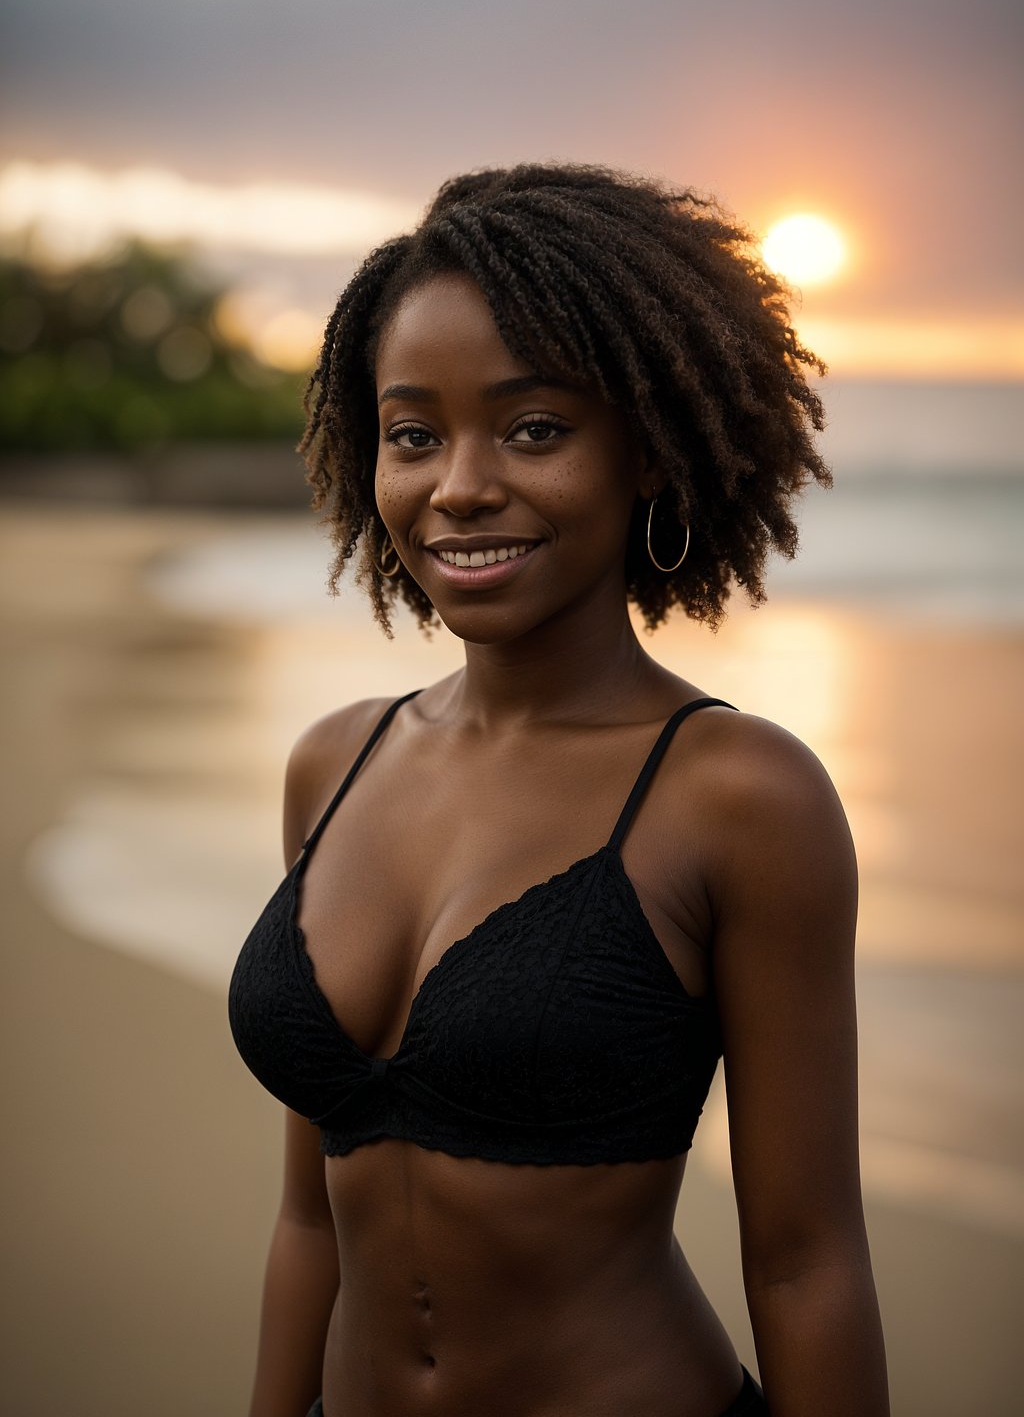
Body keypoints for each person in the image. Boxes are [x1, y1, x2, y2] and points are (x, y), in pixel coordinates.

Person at [228, 163, 889, 1417]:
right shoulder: (333, 762)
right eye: (412, 434)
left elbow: (807, 1264)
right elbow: (308, 1222)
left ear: (648, 449)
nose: (459, 484)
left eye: (534, 428)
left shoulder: (738, 797)